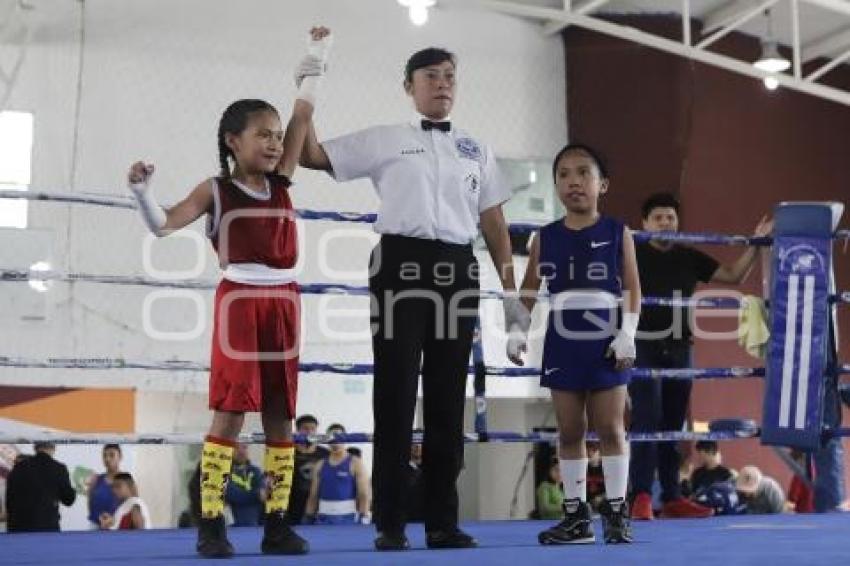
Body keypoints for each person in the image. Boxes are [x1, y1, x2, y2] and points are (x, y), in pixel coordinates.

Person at [299, 47, 521, 551]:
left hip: (458, 266)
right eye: (430, 76)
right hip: (400, 263)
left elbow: (495, 224)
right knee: (395, 395)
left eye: (449, 77)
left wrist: (511, 296)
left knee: (447, 398)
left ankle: (442, 522)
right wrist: (310, 85)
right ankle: (391, 523)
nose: (442, 84)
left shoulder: (476, 148)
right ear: (409, 86)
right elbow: (313, 155)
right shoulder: (386, 139)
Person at [126, 27, 332, 558]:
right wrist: (140, 191)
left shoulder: (283, 181)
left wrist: (318, 56)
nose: (274, 142)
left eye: (275, 134)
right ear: (232, 141)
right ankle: (211, 521)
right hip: (238, 301)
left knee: (282, 415)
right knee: (229, 414)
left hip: (285, 302)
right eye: (262, 133)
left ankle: (277, 523)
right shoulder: (213, 189)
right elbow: (163, 225)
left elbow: (304, 115)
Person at [510, 143, 641, 545]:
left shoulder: (618, 231)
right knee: (569, 430)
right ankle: (576, 519)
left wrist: (627, 334)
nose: (573, 182)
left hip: (605, 337)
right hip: (563, 337)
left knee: (610, 427)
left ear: (603, 184)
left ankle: (617, 514)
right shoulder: (544, 237)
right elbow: (528, 291)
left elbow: (633, 288)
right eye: (564, 174)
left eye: (583, 172)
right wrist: (516, 331)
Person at [629, 192, 772, 520]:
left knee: (675, 424)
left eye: (671, 218)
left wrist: (758, 241)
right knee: (647, 419)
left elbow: (734, 276)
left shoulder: (689, 256)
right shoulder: (632, 255)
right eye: (659, 218)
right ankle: (639, 496)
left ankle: (672, 496)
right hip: (642, 345)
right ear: (645, 223)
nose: (666, 223)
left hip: (680, 347)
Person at [305, 424, 370, 525]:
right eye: (332, 439)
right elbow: (313, 495)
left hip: (348, 518)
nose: (335, 443)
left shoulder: (355, 463)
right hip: (322, 518)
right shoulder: (320, 464)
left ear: (345, 439)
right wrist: (308, 516)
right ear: (327, 441)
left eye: (338, 438)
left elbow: (364, 494)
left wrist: (364, 515)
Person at [6, 442, 76, 533]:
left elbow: (9, 500)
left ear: (35, 448)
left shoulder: (18, 467)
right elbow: (68, 500)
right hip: (47, 527)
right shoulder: (59, 468)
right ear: (53, 448)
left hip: (18, 527)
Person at [287, 415, 329, 525]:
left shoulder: (325, 454)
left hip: (318, 503)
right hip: (292, 504)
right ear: (298, 431)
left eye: (313, 429)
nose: (309, 432)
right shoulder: (289, 453)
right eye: (305, 428)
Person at [225, 443, 265, 526]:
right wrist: (257, 495)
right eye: (236, 448)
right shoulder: (224, 472)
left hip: (255, 526)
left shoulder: (255, 471)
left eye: (244, 447)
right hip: (231, 527)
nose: (241, 451)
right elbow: (232, 494)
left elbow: (264, 493)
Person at [87, 444, 123, 529]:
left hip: (118, 529)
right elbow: (91, 506)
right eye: (104, 456)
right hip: (95, 527)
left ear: (120, 457)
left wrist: (114, 520)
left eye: (111, 455)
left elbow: (131, 508)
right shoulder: (96, 479)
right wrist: (90, 489)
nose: (107, 459)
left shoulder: (127, 481)